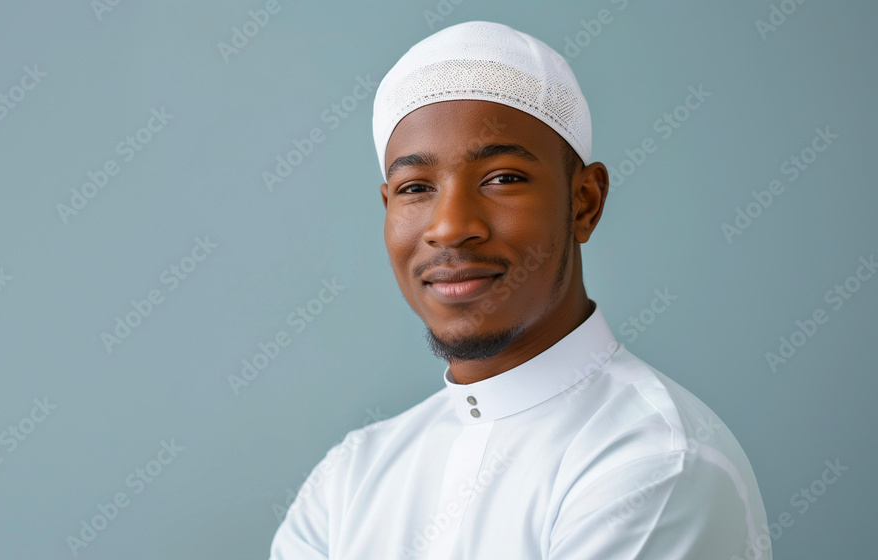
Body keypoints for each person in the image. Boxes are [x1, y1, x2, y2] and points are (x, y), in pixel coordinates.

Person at [269, 20, 771, 560]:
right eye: (416, 188)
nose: (449, 227)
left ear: (584, 203)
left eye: (502, 178)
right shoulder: (347, 482)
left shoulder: (655, 463)